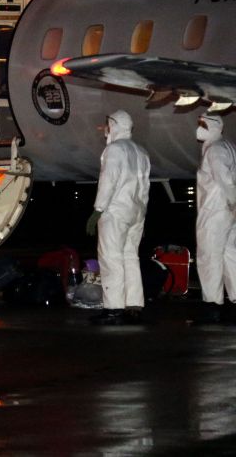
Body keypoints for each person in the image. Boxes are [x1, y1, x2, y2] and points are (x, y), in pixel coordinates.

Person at [85, 110, 150, 325]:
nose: (105, 129)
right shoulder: (141, 152)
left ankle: (113, 309)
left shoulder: (114, 150)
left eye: (108, 124)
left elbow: (108, 181)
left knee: (111, 258)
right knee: (131, 257)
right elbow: (145, 186)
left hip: (116, 211)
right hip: (136, 212)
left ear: (115, 125)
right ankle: (134, 305)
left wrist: (98, 210)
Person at [194, 114, 236, 323]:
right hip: (227, 212)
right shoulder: (228, 146)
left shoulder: (215, 149)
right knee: (230, 256)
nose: (199, 128)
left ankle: (212, 305)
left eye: (202, 125)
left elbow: (225, 179)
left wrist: (232, 202)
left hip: (216, 210)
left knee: (209, 256)